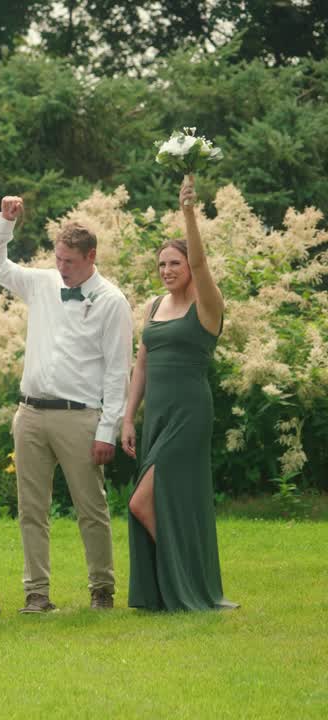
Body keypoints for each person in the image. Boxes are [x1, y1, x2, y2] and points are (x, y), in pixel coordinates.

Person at [0, 195, 133, 613]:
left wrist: (107, 431)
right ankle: (36, 593)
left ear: (91, 257)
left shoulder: (112, 301)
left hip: (80, 417)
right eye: (58, 259)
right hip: (29, 413)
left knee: (91, 508)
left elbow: (118, 372)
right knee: (31, 509)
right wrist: (5, 222)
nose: (62, 267)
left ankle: (102, 589)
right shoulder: (42, 283)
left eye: (70, 261)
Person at [121, 176, 237, 611]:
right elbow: (142, 364)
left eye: (175, 263)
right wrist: (128, 417)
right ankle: (185, 582)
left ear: (189, 266)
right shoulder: (154, 306)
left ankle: (186, 581)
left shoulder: (207, 304)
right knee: (165, 501)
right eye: (161, 265)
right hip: (157, 415)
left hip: (189, 413)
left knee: (141, 502)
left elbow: (204, 266)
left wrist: (189, 213)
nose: (167, 270)